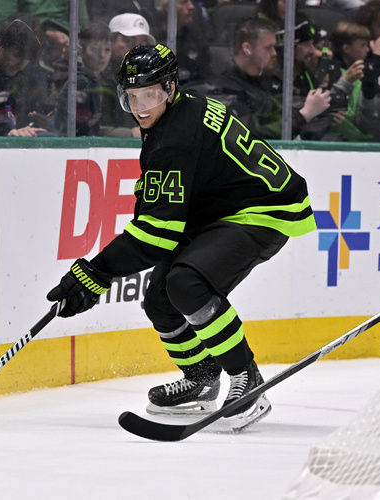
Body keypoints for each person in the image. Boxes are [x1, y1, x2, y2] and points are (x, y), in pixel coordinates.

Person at [46, 43, 317, 430]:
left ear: (170, 88)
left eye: (150, 95)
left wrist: (96, 273)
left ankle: (247, 377)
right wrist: (99, 273)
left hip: (265, 210)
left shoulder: (175, 135)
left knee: (187, 283)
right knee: (160, 299)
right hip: (217, 210)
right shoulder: (175, 115)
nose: (141, 106)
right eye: (132, 97)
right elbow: (157, 220)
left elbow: (156, 237)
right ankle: (202, 378)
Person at [198, 17, 330, 139]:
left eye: (274, 47)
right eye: (268, 48)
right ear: (247, 49)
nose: (274, 53)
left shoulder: (271, 83)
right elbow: (249, 134)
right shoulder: (223, 90)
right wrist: (304, 114)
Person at [0, 13, 49, 136]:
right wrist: (6, 133)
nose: (21, 64)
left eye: (27, 58)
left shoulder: (24, 79)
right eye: (17, 55)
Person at [99, 12, 156, 138]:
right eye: (129, 41)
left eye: (143, 45)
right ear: (109, 41)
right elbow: (90, 130)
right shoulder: (96, 78)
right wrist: (130, 133)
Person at [54, 21, 111, 136]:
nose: (102, 55)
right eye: (95, 49)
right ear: (80, 50)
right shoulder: (79, 82)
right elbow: (81, 130)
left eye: (107, 50)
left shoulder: (107, 81)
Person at [328, 20, 374, 141]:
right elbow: (343, 117)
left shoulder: (360, 75)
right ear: (346, 48)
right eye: (363, 45)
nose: (367, 50)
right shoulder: (330, 75)